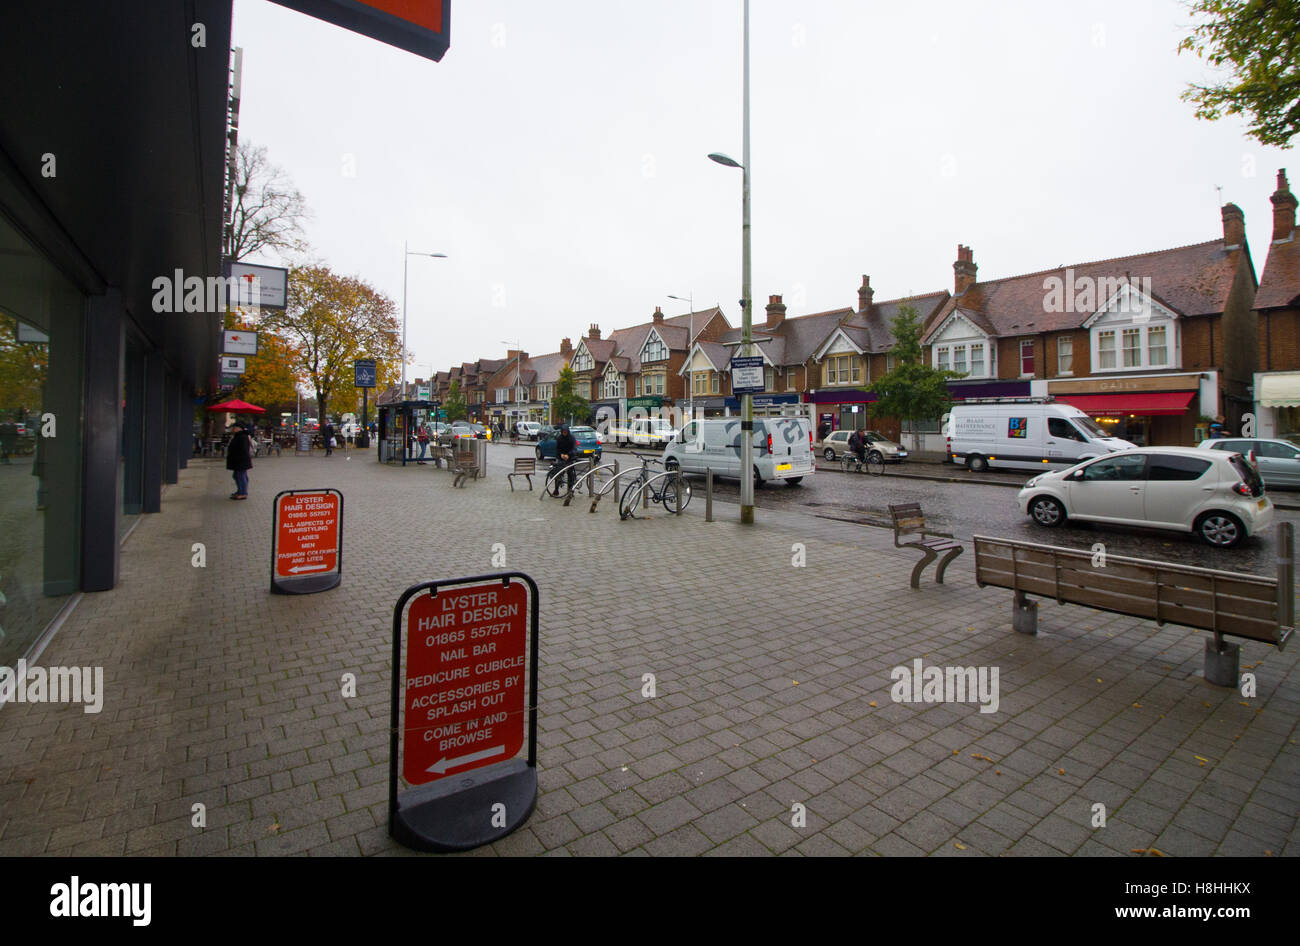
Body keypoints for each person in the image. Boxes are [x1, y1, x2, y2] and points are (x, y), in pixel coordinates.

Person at [227, 421, 253, 499]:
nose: (233, 429)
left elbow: (243, 449)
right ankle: (240, 491)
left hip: (240, 460)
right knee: (237, 475)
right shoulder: (238, 436)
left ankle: (243, 492)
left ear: (239, 428)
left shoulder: (242, 437)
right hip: (239, 460)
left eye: (234, 428)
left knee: (240, 476)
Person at [553, 423, 578, 493]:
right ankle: (556, 489)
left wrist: (568, 455)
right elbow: (557, 448)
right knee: (558, 473)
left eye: (565, 432)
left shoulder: (572, 438)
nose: (564, 433)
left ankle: (570, 490)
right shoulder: (559, 438)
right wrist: (561, 454)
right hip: (561, 457)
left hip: (569, 457)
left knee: (570, 474)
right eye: (563, 432)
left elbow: (574, 448)